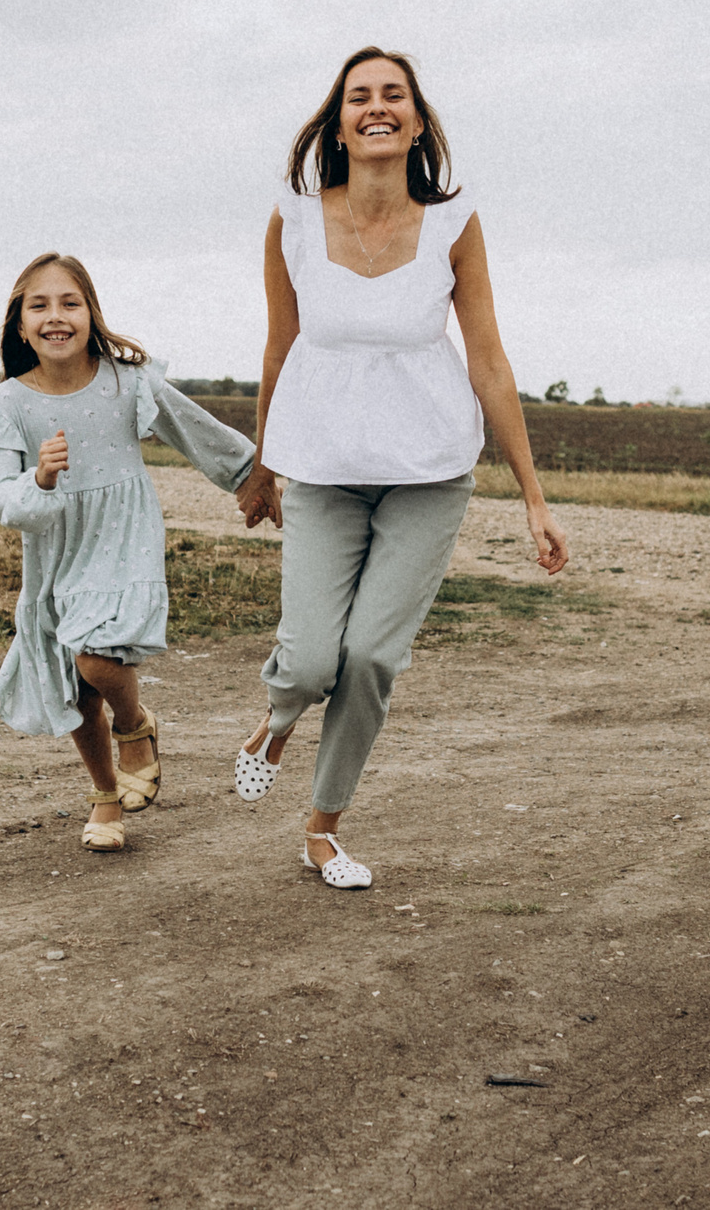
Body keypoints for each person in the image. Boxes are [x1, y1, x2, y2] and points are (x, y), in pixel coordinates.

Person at [232, 47, 570, 889]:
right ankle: (276, 722)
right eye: (359, 97)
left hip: (428, 473)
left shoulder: (454, 224)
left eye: (394, 96)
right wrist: (264, 464)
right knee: (313, 659)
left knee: (373, 656)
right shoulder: (295, 219)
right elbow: (278, 346)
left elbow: (487, 358)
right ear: (337, 120)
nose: (376, 108)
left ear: (417, 121)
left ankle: (323, 826)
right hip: (322, 469)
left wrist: (535, 498)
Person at [0, 252, 262, 852]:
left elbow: (193, 428)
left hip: (124, 537)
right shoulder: (10, 404)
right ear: (20, 324)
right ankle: (105, 796)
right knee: (74, 683)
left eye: (69, 303)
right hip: (57, 551)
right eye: (40, 306)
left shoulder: (129, 381)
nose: (56, 317)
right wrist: (41, 481)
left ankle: (134, 726)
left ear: (91, 313)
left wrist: (251, 476)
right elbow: (0, 498)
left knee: (98, 659)